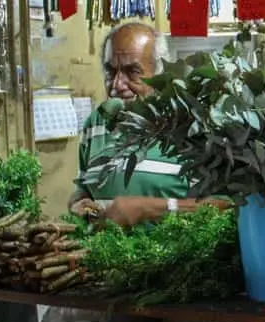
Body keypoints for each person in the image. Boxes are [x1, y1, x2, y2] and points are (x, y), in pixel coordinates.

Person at [68, 22, 213, 228]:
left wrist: (150, 209)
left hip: (173, 257)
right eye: (110, 72)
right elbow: (84, 187)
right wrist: (78, 201)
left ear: (161, 73)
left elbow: (225, 206)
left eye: (132, 71)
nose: (117, 85)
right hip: (107, 255)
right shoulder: (96, 123)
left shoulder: (191, 126)